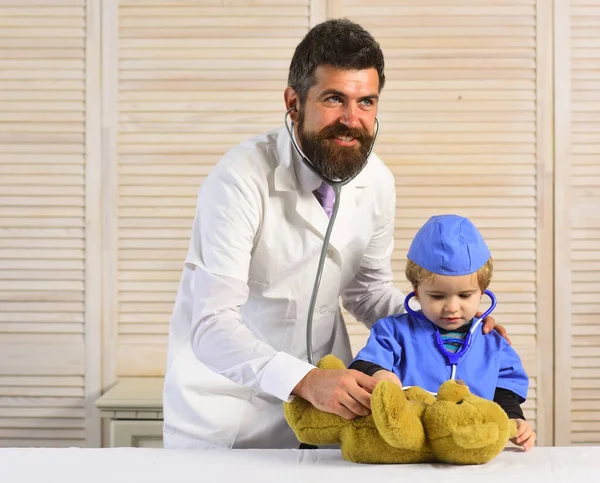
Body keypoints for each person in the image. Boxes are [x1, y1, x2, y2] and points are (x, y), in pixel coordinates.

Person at [162, 18, 506, 449]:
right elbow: (211, 324)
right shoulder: (239, 179)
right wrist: (305, 379)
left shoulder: (377, 181)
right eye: (334, 99)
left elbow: (367, 293)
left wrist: (447, 317)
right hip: (227, 419)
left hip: (328, 413)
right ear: (293, 102)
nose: (351, 118)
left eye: (366, 102)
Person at [349, 214, 536, 451]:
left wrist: (513, 418)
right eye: (437, 296)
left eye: (465, 295)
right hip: (409, 447)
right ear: (416, 291)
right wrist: (380, 375)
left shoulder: (493, 342)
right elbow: (364, 364)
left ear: (482, 291)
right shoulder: (392, 333)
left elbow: (505, 388)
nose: (452, 307)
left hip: (470, 447)